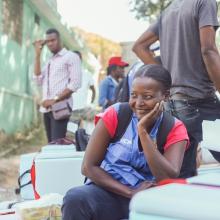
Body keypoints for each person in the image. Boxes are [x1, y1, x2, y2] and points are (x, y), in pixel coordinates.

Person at [62, 64, 189, 220]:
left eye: (147, 96)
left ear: (166, 96)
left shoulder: (174, 128)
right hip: (109, 192)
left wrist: (143, 132)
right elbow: (88, 167)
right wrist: (130, 192)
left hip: (148, 199)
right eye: (134, 95)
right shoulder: (117, 114)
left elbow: (166, 177)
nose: (138, 102)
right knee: (76, 198)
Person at [133, 0, 220, 178]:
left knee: (182, 172)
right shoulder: (205, 2)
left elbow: (139, 47)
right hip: (200, 99)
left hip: (173, 104)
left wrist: (167, 78)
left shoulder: (169, 11)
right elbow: (208, 49)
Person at [33, 28, 82, 142]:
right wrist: (37, 55)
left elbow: (75, 83)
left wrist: (54, 100)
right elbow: (38, 79)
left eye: (53, 40)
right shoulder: (50, 61)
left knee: (57, 145)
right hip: (46, 109)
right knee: (51, 144)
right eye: (48, 41)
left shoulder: (71, 57)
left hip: (61, 108)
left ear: (60, 40)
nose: (50, 43)